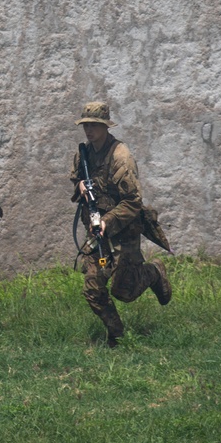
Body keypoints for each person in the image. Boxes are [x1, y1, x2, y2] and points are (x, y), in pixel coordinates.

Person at [70, 102, 171, 348]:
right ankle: (117, 336)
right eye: (86, 125)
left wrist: (107, 221)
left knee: (124, 291)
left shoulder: (120, 157)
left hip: (123, 232)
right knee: (93, 286)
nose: (89, 130)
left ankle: (154, 273)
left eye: (95, 125)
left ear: (106, 127)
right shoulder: (83, 154)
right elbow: (77, 180)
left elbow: (133, 201)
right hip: (98, 236)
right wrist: (80, 186)